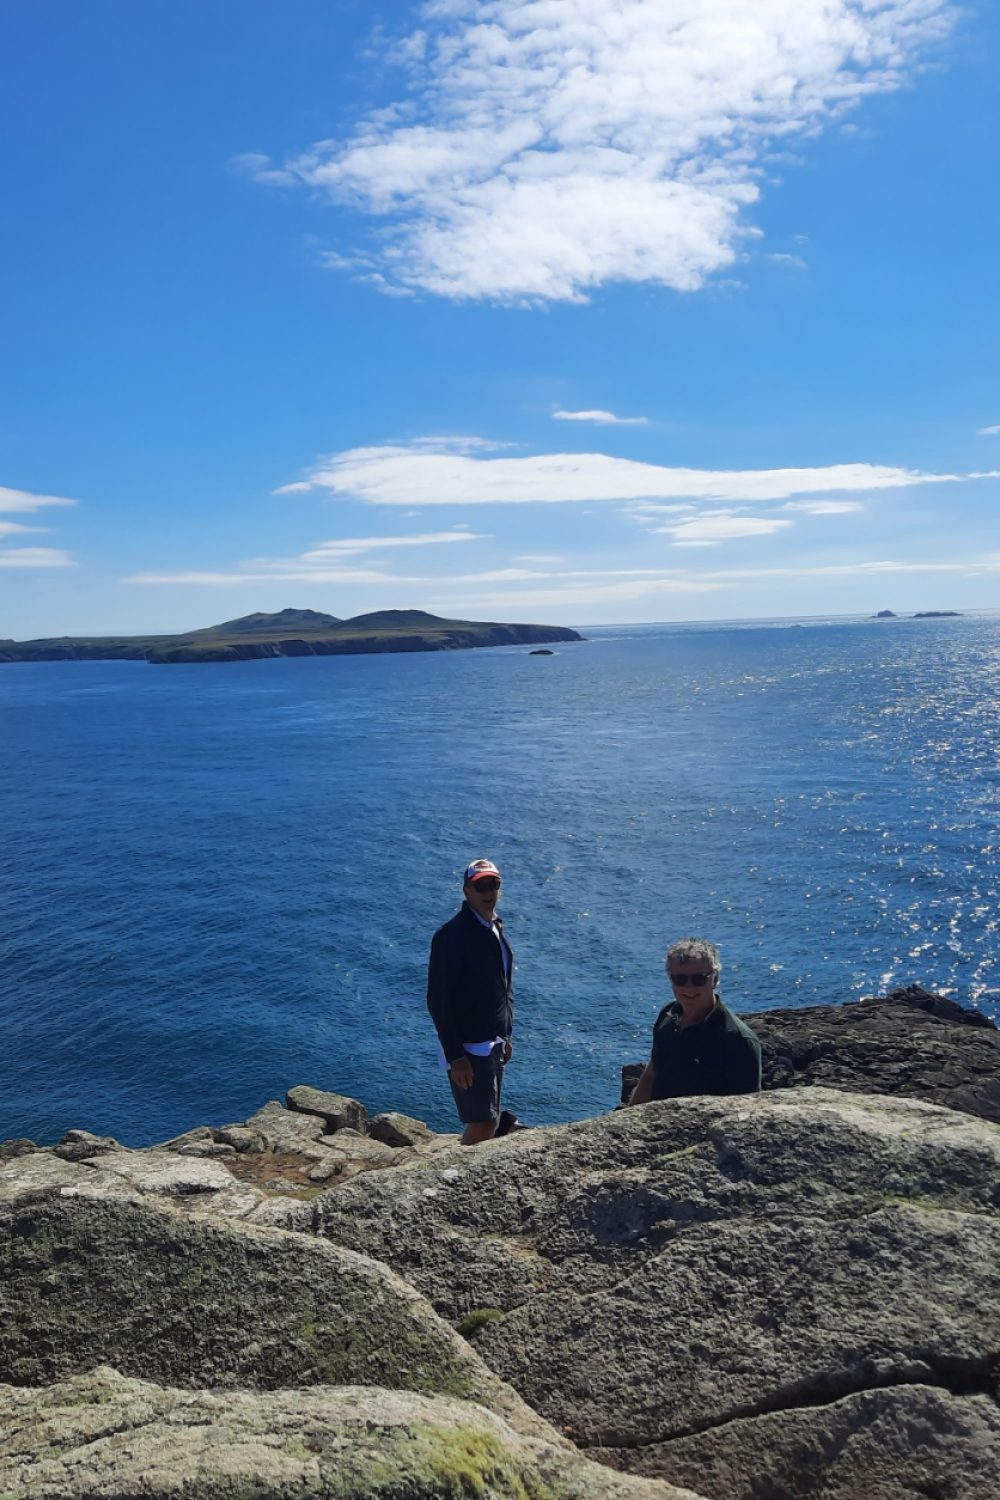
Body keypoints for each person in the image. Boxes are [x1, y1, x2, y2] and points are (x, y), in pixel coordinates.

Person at [427, 858, 520, 1144]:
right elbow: (438, 1000)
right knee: (481, 1123)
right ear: (466, 889)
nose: (488, 892)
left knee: (490, 1118)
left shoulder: (494, 928)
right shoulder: (452, 936)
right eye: (481, 886)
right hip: (469, 1048)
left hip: (491, 1041)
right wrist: (456, 1056)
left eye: (493, 884)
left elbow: (503, 986)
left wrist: (505, 1033)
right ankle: (453, 1180)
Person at [628, 937, 761, 1104]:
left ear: (715, 979)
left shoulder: (737, 1040)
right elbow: (650, 1075)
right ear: (671, 979)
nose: (689, 988)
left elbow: (746, 1107)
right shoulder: (668, 1015)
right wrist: (628, 1117)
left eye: (699, 979)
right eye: (680, 979)